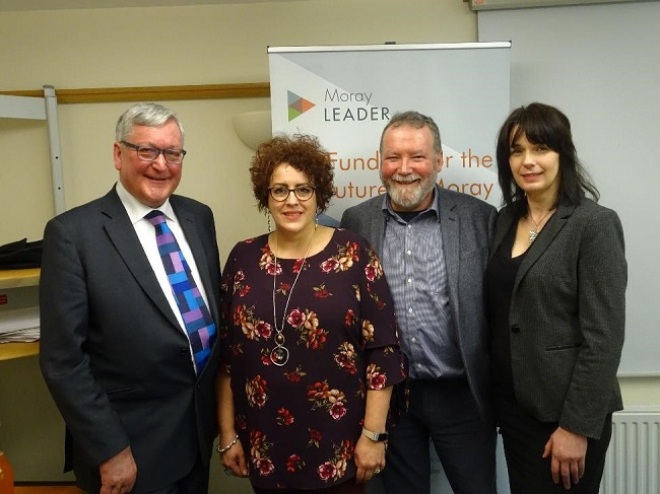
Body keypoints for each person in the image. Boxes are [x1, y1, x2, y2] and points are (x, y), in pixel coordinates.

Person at [39, 102, 222, 493]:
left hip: (196, 436)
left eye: (172, 153)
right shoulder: (73, 235)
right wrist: (110, 450)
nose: (161, 164)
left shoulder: (198, 218)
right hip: (131, 451)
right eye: (147, 150)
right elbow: (63, 361)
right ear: (118, 154)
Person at [217, 134, 407, 493]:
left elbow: (383, 351)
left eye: (303, 189)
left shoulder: (353, 252)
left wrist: (374, 435)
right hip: (264, 446)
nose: (292, 201)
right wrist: (228, 436)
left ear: (319, 194)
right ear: (265, 196)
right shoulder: (242, 258)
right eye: (280, 190)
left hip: (341, 448)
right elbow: (227, 359)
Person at [341, 111, 498, 494]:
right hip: (392, 399)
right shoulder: (357, 221)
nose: (404, 169)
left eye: (417, 157)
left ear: (439, 162)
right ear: (380, 162)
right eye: (393, 157)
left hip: (461, 395)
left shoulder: (480, 218)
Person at [486, 102, 626, 493]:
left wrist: (576, 427)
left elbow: (604, 338)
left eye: (540, 148)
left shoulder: (593, 224)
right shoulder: (505, 220)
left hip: (565, 415)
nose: (528, 161)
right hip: (515, 411)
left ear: (563, 154)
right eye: (516, 151)